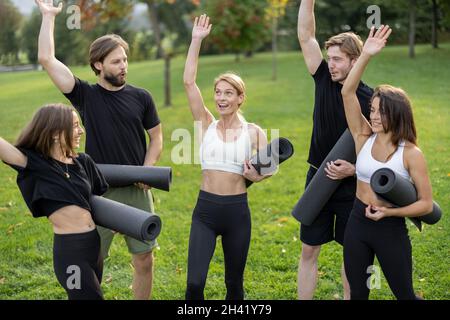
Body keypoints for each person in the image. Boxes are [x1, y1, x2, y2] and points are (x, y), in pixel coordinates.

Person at [35, 0, 163, 299]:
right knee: (93, 261)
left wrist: (148, 167)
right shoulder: (85, 95)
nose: (124, 66)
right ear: (98, 65)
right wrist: (48, 16)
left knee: (144, 260)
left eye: (125, 60)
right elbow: (46, 58)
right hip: (97, 191)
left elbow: (156, 136)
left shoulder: (141, 97)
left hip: (136, 190)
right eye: (117, 61)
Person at [341, 25, 432, 300]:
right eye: (372, 110)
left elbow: (425, 204)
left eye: (381, 112)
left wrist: (389, 213)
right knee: (359, 293)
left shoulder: (411, 153)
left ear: (398, 114)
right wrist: (365, 55)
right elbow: (347, 92)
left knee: (404, 294)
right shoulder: (363, 136)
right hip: (357, 222)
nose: (375, 116)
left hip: (390, 229)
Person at [183, 15, 271, 300]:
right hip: (205, 212)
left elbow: (269, 170)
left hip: (237, 213)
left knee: (234, 284)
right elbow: (188, 82)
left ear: (240, 97)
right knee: (195, 284)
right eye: (218, 93)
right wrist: (196, 40)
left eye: (228, 93)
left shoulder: (254, 132)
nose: (221, 98)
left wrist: (257, 176)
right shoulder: (205, 123)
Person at [296, 0, 374, 300]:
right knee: (308, 249)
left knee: (350, 253)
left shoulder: (370, 100)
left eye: (338, 59)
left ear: (356, 61)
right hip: (317, 178)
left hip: (352, 185)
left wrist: (354, 169)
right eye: (330, 58)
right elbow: (305, 35)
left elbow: (379, 150)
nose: (331, 64)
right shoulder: (323, 80)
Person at [0, 104, 108, 300]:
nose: (81, 131)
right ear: (56, 133)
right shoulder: (36, 165)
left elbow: (98, 197)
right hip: (71, 253)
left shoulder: (82, 162)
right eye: (75, 126)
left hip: (94, 245)